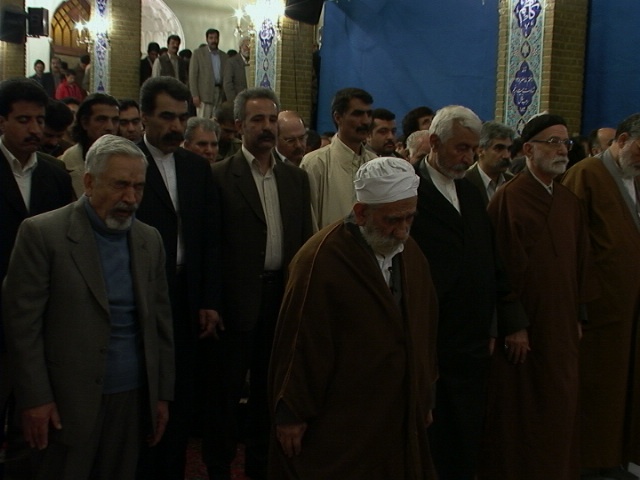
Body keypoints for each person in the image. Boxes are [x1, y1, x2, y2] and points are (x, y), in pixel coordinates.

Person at [3, 134, 173, 480]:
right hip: (65, 402)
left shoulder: (149, 240)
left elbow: (160, 324)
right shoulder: (43, 234)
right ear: (89, 182)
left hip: (131, 398)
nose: (131, 198)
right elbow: (22, 328)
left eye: (139, 187)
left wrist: (161, 395)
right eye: (120, 185)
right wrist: (35, 398)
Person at [269, 156, 438, 479]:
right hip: (344, 416)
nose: (403, 231)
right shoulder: (321, 260)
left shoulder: (410, 253)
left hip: (399, 409)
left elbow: (425, 327)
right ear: (361, 213)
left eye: (410, 218)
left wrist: (424, 394)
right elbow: (300, 343)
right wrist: (291, 413)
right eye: (392, 220)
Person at [410, 105, 522, 480]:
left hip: (472, 340)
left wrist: (502, 322)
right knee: (430, 434)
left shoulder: (471, 194)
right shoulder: (409, 189)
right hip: (429, 336)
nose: (468, 157)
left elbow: (490, 262)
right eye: (461, 148)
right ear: (434, 142)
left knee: (466, 432)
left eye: (473, 149)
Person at [479, 114, 594, 480]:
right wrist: (514, 325)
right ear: (528, 149)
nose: (562, 150)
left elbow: (581, 264)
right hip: (525, 330)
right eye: (553, 142)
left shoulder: (568, 202)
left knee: (561, 406)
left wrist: (579, 315)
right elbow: (498, 270)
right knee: (523, 413)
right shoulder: (509, 199)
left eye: (565, 143)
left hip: (562, 328)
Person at [207, 87, 312, 480]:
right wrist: (212, 302)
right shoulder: (219, 176)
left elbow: (304, 242)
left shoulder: (295, 178)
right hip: (235, 304)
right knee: (225, 395)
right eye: (257, 120)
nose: (267, 127)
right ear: (239, 126)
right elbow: (210, 247)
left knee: (270, 395)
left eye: (271, 119)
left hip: (280, 299)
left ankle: (259, 468)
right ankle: (218, 468)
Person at [136, 75, 222, 480]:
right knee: (144, 394)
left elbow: (210, 238)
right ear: (144, 117)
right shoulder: (128, 161)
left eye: (181, 118)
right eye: (166, 117)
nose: (175, 126)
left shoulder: (195, 167)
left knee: (182, 393)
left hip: (188, 294)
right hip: (143, 294)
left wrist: (209, 300)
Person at [0, 78, 74, 474]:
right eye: (23, 120)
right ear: (2, 122)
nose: (34, 129)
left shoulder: (54, 174)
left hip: (40, 318)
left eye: (39, 120)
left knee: (30, 429)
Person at [562, 113, 640, 480]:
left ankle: (615, 457)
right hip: (597, 312)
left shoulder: (634, 176)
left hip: (628, 312)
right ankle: (587, 462)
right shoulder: (586, 174)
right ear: (621, 141)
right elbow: (570, 243)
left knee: (623, 389)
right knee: (596, 388)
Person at [300, 87, 377, 230]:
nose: (366, 121)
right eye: (358, 114)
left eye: (369, 114)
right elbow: (308, 223)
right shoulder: (315, 163)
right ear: (338, 117)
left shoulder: (375, 163)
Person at [60, 93, 120, 197]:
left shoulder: (128, 162)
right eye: (101, 119)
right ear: (84, 123)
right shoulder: (64, 165)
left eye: (115, 120)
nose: (110, 127)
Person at [465, 120, 515, 206]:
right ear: (480, 150)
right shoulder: (465, 182)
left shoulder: (513, 183)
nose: (506, 155)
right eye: (499, 148)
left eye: (509, 149)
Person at [190, 29, 228, 118]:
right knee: (203, 121)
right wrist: (195, 95)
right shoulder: (198, 53)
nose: (213, 40)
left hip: (219, 93)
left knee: (216, 120)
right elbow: (193, 76)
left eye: (216, 38)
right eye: (211, 38)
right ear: (207, 39)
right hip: (204, 95)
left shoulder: (224, 56)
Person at [223, 36, 250, 104]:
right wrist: (233, 101)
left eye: (250, 47)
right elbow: (228, 84)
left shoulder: (254, 62)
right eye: (246, 46)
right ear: (240, 47)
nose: (248, 49)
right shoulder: (231, 62)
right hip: (237, 101)